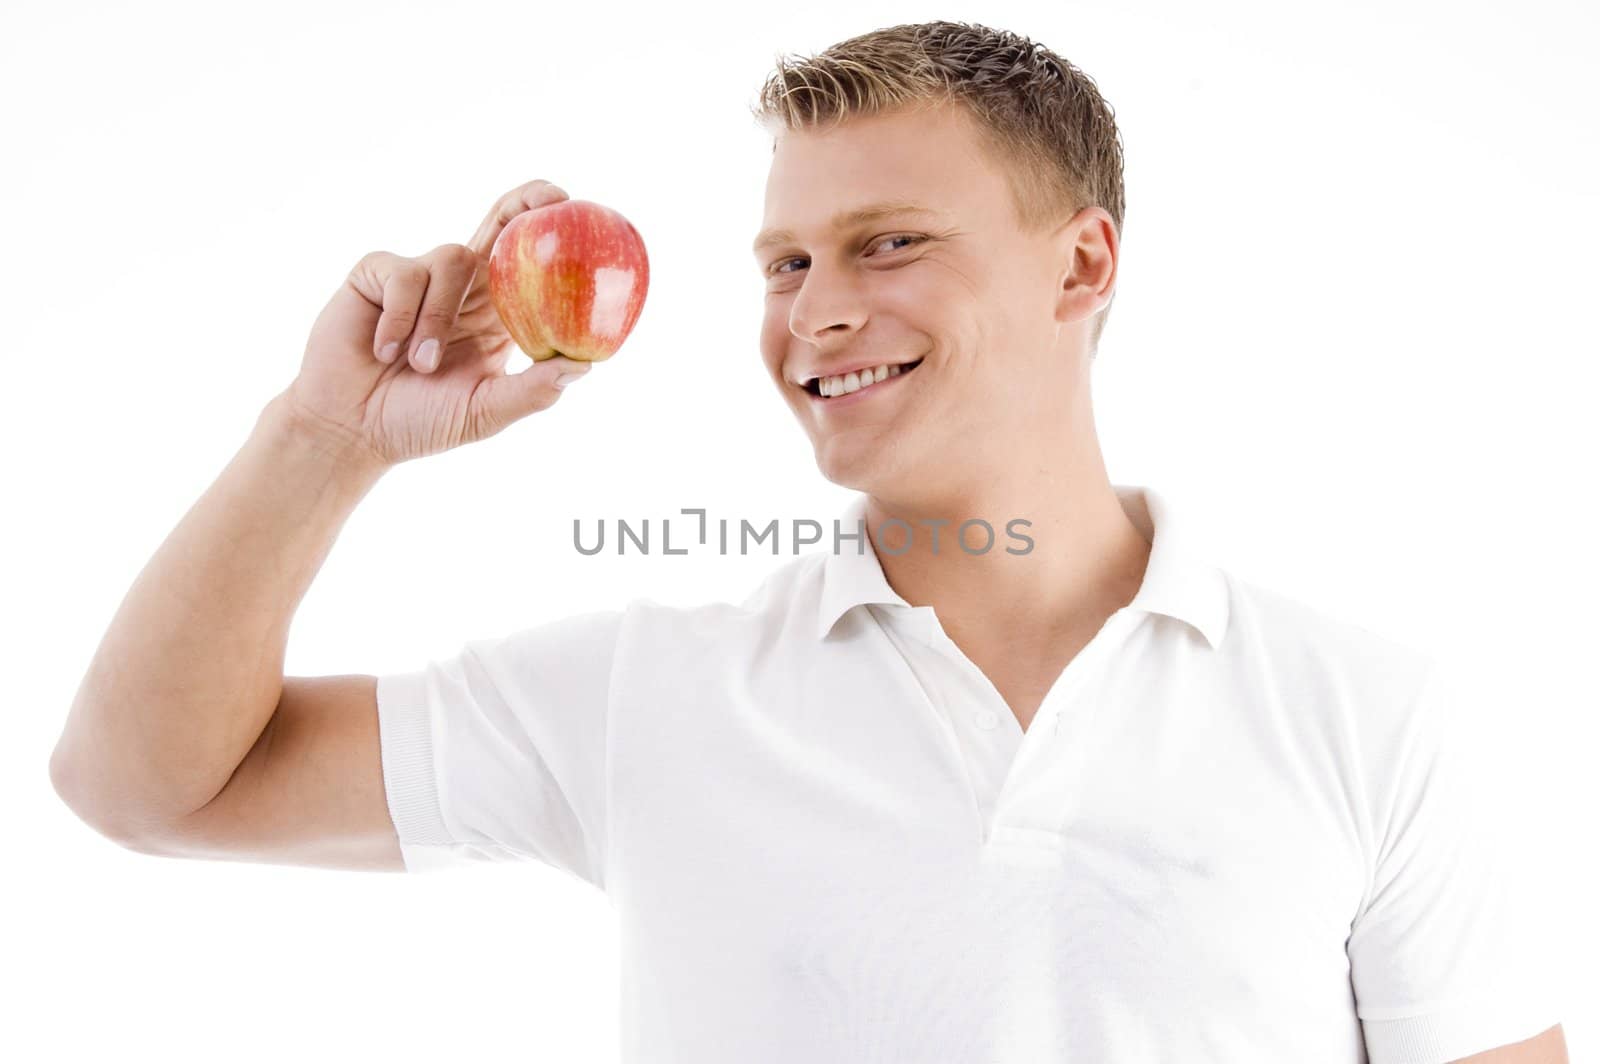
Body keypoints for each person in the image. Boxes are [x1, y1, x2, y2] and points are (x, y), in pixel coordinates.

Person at [49, 19, 1566, 1064]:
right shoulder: (656, 693)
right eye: (784, 261)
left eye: (888, 242)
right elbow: (145, 786)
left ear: (1082, 260)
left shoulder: (1366, 714)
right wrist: (325, 439)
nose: (816, 312)